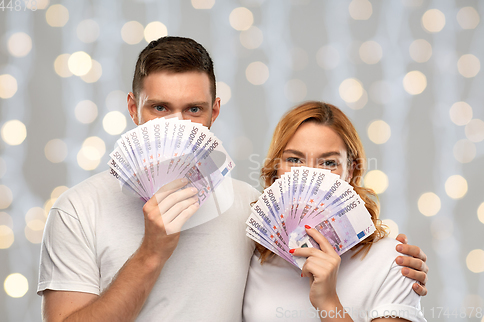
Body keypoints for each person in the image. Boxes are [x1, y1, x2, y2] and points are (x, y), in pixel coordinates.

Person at [38, 37, 428, 321]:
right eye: (159, 107)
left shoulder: (249, 209)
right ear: (132, 108)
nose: (177, 125)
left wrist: (395, 262)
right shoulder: (77, 210)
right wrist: (150, 253)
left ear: (215, 112)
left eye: (194, 108)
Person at [243, 101, 427, 322]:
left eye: (328, 162)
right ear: (275, 170)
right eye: (294, 159)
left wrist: (329, 303)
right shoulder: (249, 256)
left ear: (350, 171)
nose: (310, 176)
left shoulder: (394, 262)